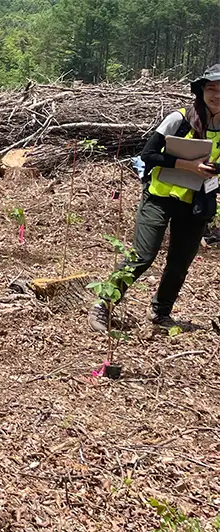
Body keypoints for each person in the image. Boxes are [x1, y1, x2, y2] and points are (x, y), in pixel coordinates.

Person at [89, 65, 220, 332]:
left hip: (196, 202)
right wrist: (187, 165)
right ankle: (103, 304)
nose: (216, 95)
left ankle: (161, 313)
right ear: (201, 91)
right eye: (211, 89)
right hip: (160, 196)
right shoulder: (180, 118)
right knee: (143, 254)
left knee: (180, 261)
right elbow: (148, 155)